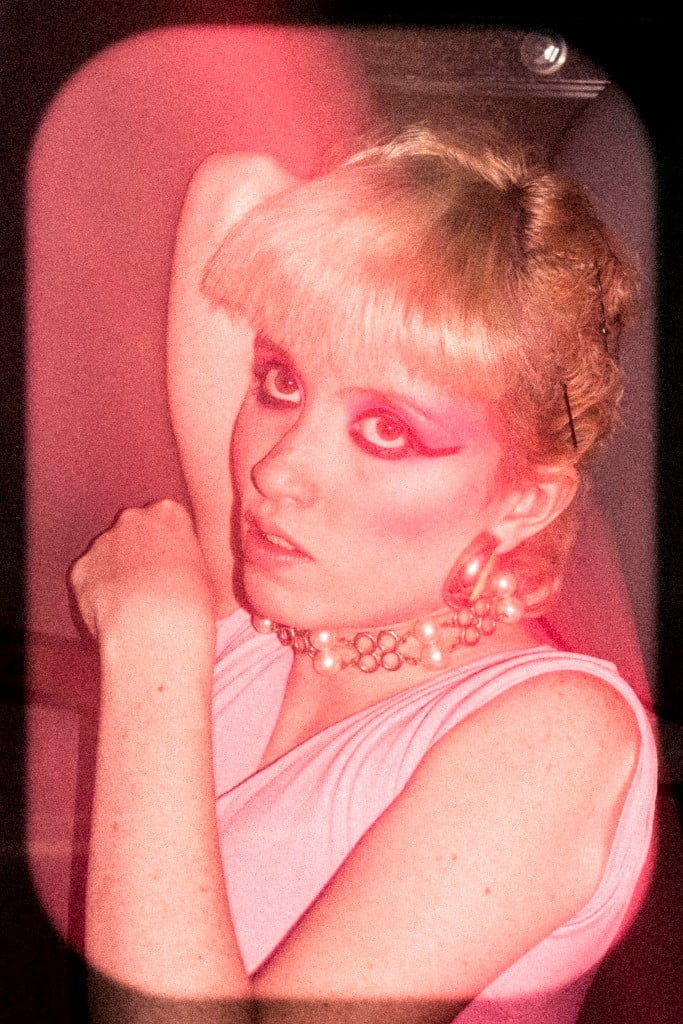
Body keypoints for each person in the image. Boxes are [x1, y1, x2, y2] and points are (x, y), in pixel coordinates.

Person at [70, 123, 657, 1023]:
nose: (276, 471)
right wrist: (427, 220)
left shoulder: (558, 736)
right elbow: (236, 188)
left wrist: (151, 646)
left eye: (386, 430)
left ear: (522, 501)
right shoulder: (269, 620)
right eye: (280, 381)